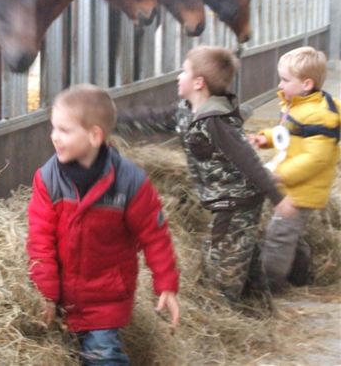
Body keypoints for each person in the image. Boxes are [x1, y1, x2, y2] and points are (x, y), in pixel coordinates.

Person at [117, 45, 296, 305]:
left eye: (184, 71)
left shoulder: (215, 120)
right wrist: (110, 119)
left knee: (221, 263)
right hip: (229, 199)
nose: (179, 76)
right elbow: (153, 118)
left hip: (236, 200)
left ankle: (225, 308)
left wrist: (278, 198)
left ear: (198, 82)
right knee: (241, 249)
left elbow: (248, 159)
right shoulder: (187, 110)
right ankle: (258, 308)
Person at [26, 84, 180, 365]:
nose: (54, 137)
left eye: (64, 130)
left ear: (95, 135)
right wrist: (46, 294)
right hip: (62, 297)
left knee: (101, 355)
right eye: (53, 128)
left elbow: (155, 236)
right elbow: (40, 239)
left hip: (105, 298)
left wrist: (166, 285)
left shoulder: (130, 182)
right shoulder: (48, 179)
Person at [248, 46, 340, 292]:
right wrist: (264, 138)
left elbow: (315, 159)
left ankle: (270, 287)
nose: (280, 85)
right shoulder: (295, 105)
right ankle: (300, 277)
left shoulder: (319, 116)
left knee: (279, 235)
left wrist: (280, 175)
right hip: (293, 184)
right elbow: (285, 134)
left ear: (306, 84)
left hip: (303, 189)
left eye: (286, 80)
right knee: (291, 233)